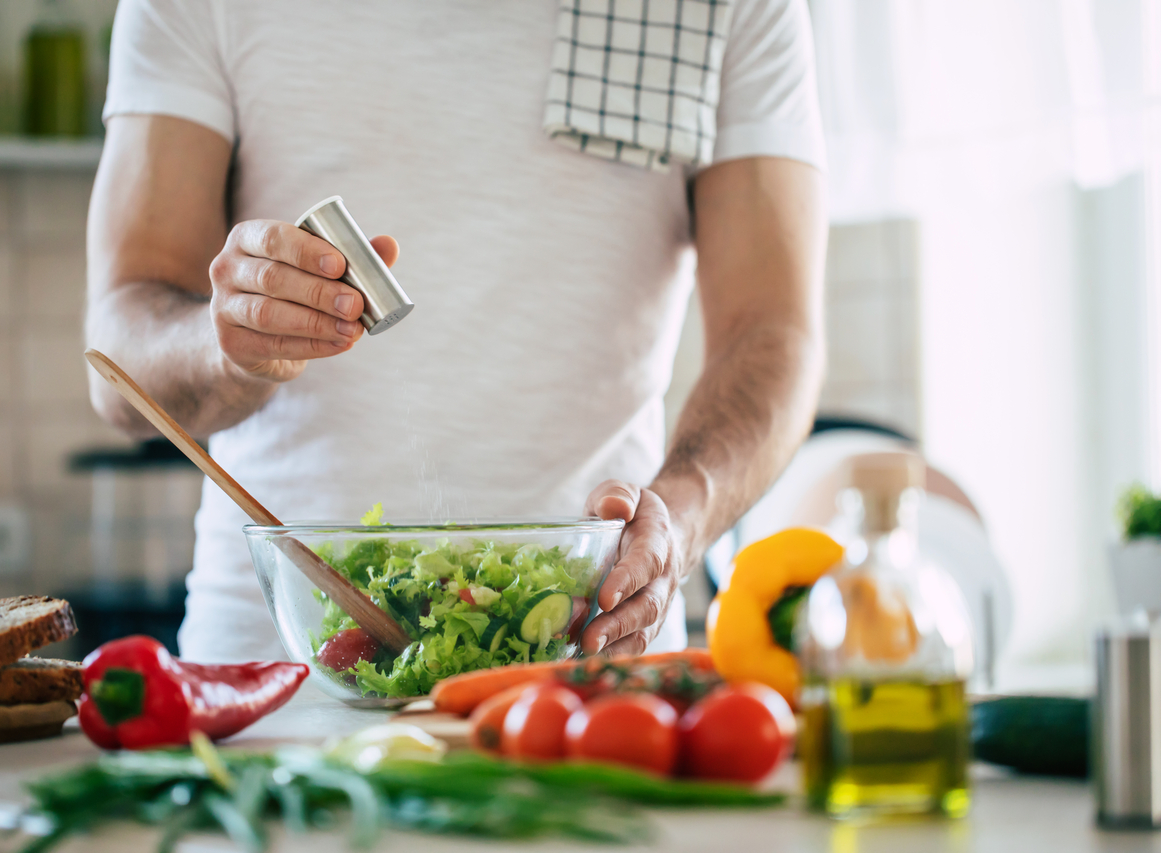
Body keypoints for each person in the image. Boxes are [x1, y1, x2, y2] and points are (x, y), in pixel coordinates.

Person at [86, 0, 828, 662]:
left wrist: (681, 521)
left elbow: (774, 333)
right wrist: (231, 346)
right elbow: (116, 358)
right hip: (276, 672)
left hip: (590, 667)